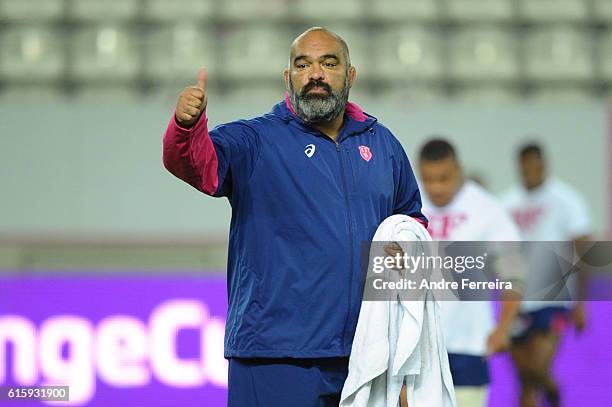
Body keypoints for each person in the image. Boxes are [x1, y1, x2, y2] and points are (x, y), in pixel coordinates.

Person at [162, 27, 427, 406]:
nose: (315, 74)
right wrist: (186, 126)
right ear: (288, 78)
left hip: (364, 357)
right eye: (303, 64)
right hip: (275, 356)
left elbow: (410, 220)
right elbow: (196, 165)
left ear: (350, 75)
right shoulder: (254, 140)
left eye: (329, 63)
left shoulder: (382, 144)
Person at [415, 138, 522, 407]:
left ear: (458, 169)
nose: (436, 187)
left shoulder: (486, 209)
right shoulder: (409, 203)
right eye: (428, 178)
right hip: (417, 346)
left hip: (469, 343)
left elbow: (514, 271)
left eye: (444, 178)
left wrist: (504, 326)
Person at [501, 143, 591, 407]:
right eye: (525, 166)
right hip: (518, 300)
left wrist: (581, 303)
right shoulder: (506, 202)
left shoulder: (567, 200)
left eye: (535, 165)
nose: (530, 171)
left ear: (544, 165)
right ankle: (549, 394)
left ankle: (552, 393)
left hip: (554, 299)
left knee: (538, 368)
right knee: (524, 376)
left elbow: (583, 251)